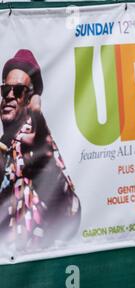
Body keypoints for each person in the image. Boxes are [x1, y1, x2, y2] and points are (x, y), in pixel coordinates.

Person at [0, 49, 81, 251]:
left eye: (18, 91)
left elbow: (71, 212)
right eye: (5, 90)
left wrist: (47, 168)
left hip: (30, 266)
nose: (9, 96)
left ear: (29, 100)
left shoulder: (33, 141)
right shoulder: (4, 145)